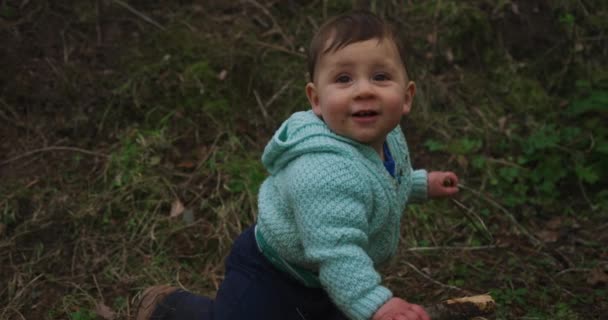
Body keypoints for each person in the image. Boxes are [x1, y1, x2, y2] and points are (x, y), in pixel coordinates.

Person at [136, 10, 459, 320]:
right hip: (272, 273)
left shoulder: (388, 137)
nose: (364, 90)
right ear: (316, 99)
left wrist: (419, 183)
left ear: (406, 96)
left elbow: (381, 180)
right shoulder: (320, 173)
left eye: (380, 76)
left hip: (320, 276)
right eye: (344, 78)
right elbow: (339, 254)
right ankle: (170, 308)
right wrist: (378, 306)